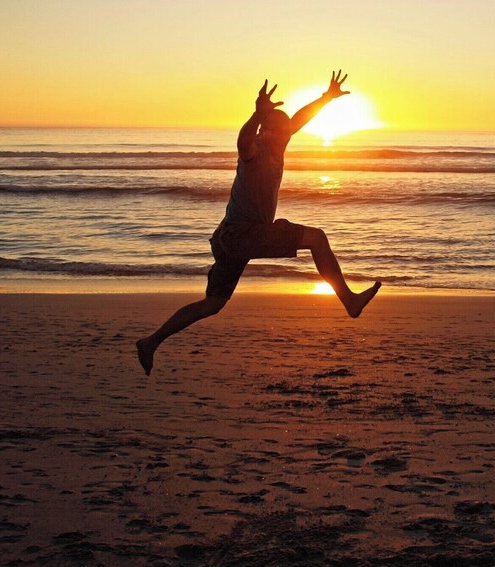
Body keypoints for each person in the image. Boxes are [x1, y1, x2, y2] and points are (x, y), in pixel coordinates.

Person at [136, 70, 381, 375]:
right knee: (316, 238)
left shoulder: (279, 142)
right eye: (279, 129)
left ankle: (150, 342)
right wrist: (255, 116)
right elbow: (242, 142)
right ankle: (349, 301)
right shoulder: (255, 151)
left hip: (228, 237)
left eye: (287, 130)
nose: (287, 133)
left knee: (213, 303)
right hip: (242, 234)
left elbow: (300, 119)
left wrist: (326, 98)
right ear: (265, 132)